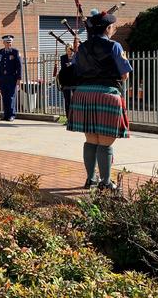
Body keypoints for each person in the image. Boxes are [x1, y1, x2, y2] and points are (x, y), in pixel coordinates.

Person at [67, 11, 133, 191]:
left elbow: (75, 70)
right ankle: (105, 182)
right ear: (108, 28)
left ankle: (90, 179)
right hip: (106, 95)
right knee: (105, 142)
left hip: (83, 95)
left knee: (91, 140)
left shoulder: (82, 47)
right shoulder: (115, 46)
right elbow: (125, 75)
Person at [0, 35, 21, 122]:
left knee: (11, 96)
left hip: (12, 78)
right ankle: (6, 114)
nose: (8, 44)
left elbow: (19, 66)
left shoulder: (15, 52)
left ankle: (11, 115)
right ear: (3, 43)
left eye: (10, 42)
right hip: (2, 78)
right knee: (4, 96)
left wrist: (19, 78)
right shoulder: (0, 52)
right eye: (7, 42)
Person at [60, 44, 75, 116]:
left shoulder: (76, 57)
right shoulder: (63, 58)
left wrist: (72, 64)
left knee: (76, 99)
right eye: (67, 50)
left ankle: (75, 117)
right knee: (67, 100)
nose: (69, 52)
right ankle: (68, 117)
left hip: (74, 81)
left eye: (70, 50)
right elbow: (63, 68)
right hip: (66, 81)